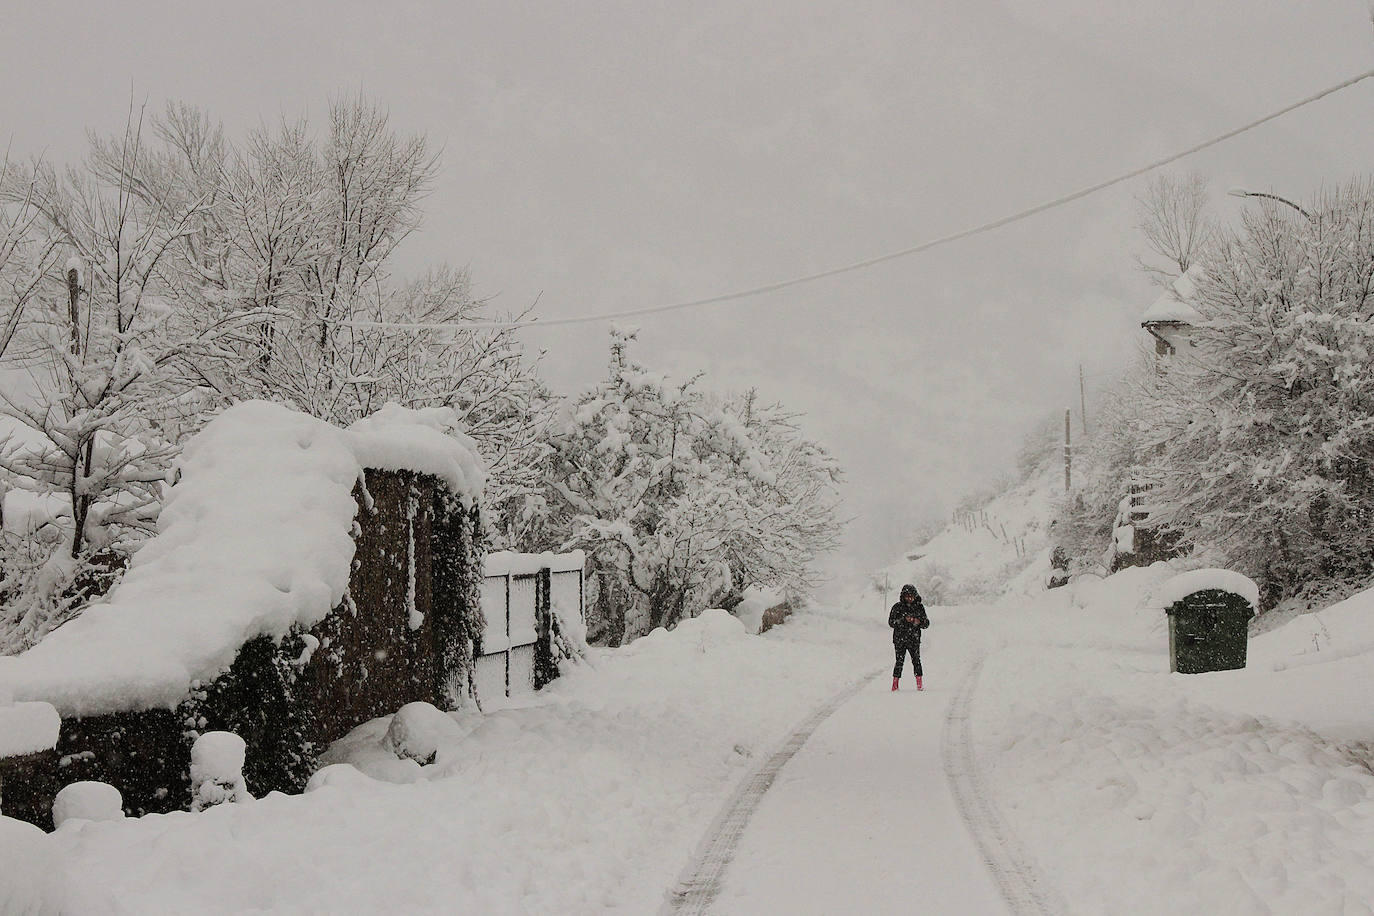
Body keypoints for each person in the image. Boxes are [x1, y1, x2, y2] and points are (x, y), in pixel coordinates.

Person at [889, 583, 930, 691]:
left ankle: (919, 685)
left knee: (916, 660)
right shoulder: (897, 607)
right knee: (899, 661)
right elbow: (891, 622)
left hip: (914, 639)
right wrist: (903, 620)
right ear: (903, 596)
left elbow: (926, 624)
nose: (910, 598)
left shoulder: (919, 607)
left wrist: (918, 621)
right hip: (899, 640)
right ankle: (895, 685)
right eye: (907, 596)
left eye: (911, 596)